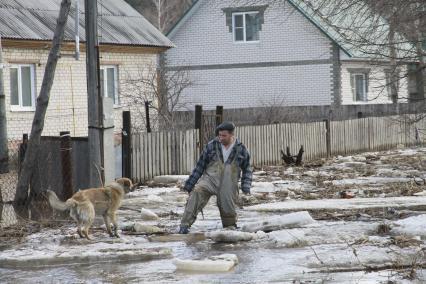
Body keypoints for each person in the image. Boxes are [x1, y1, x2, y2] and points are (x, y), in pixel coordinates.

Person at [178, 121, 252, 234]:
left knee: (227, 208)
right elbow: (200, 166)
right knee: (197, 193)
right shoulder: (211, 145)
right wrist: (189, 185)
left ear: (232, 135)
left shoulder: (241, 149)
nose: (220, 138)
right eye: (219, 135)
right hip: (210, 180)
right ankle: (184, 226)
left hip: (229, 183)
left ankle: (229, 229)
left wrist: (245, 186)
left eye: (224, 135)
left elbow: (247, 169)